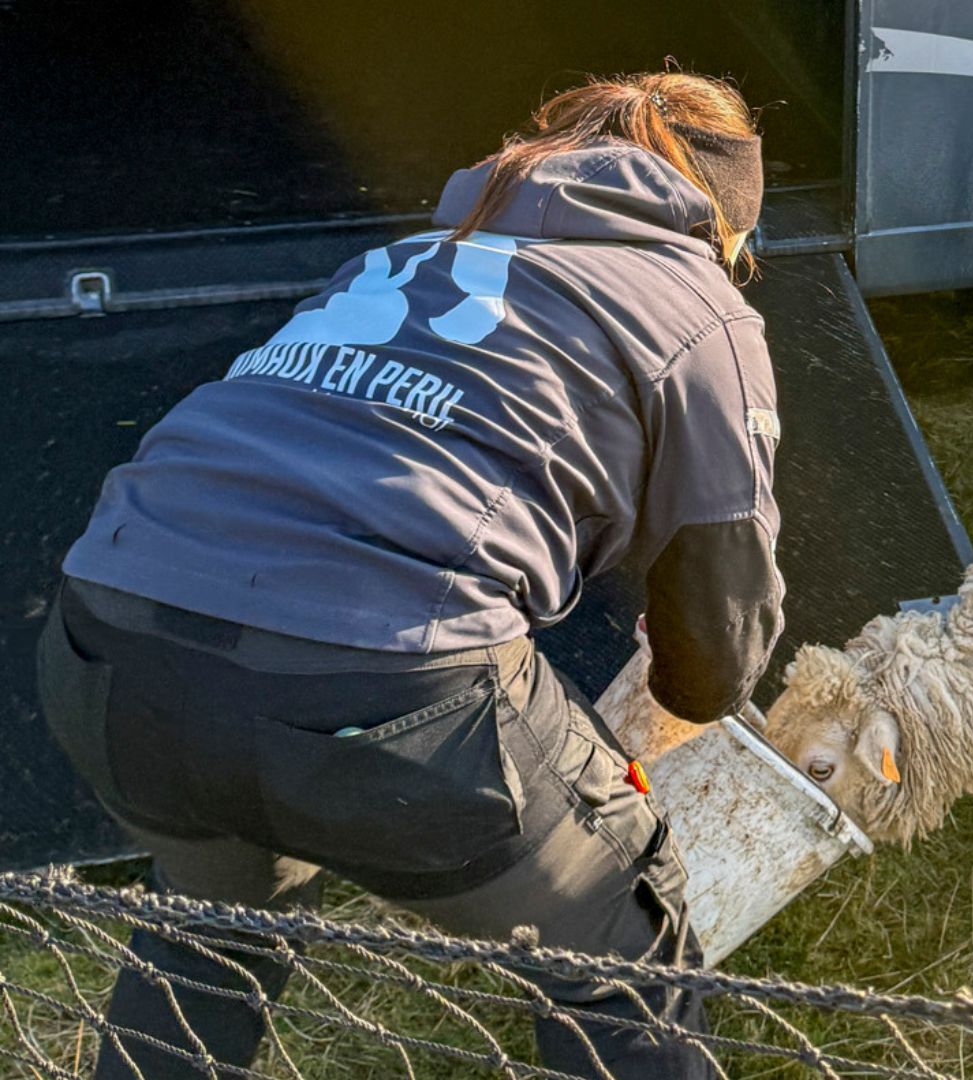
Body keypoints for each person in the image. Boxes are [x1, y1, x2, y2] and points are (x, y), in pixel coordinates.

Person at [35, 71, 783, 1079]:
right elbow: (720, 628)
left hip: (111, 651)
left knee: (210, 923)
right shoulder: (702, 308)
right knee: (623, 945)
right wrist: (687, 687)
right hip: (386, 686)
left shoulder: (410, 254)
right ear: (727, 215)